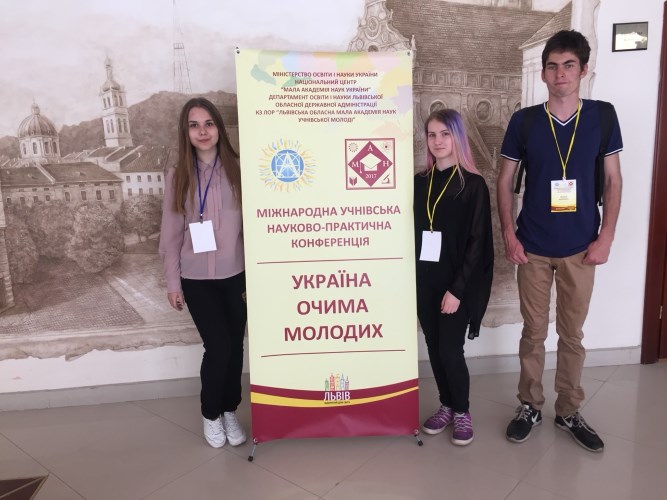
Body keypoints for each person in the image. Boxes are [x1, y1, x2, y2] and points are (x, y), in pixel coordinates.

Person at [497, 30, 623, 452]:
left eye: (569, 65)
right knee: (533, 333)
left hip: (582, 248)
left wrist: (606, 237)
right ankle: (529, 405)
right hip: (532, 246)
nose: (560, 74)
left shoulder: (603, 117)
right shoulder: (525, 121)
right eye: (552, 66)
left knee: (572, 335)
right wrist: (509, 233)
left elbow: (613, 179)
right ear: (544, 74)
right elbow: (504, 181)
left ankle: (568, 409)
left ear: (583, 70)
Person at [159, 97, 247, 448]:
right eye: (194, 125)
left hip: (235, 275)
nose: (203, 131)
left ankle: (229, 410)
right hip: (196, 279)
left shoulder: (239, 171)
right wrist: (172, 282)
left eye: (209, 123)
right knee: (218, 347)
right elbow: (171, 232)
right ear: (186, 132)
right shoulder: (177, 176)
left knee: (235, 347)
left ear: (219, 128)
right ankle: (211, 413)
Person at [415, 109, 494, 446]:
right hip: (425, 281)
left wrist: (457, 290)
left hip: (456, 285)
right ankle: (446, 405)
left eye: (445, 134)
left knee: (450, 350)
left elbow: (478, 243)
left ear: (458, 137)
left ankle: (462, 410)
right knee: (434, 347)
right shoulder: (419, 182)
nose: (438, 141)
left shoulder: (472, 185)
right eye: (432, 135)